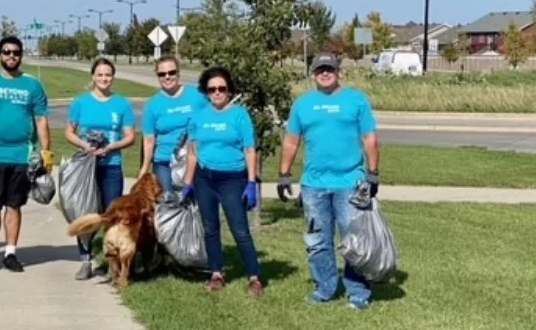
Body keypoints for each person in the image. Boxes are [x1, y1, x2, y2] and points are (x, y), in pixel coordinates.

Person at [278, 53, 380, 310]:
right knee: (317, 240)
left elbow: (370, 138)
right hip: (314, 184)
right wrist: (284, 173)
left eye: (329, 69)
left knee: (353, 239)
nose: (325, 74)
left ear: (338, 72)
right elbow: (291, 141)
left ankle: (358, 293)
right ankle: (325, 289)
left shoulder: (356, 100)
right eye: (320, 70)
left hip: (350, 182)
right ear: (313, 74)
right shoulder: (302, 104)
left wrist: (373, 172)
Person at [0, 36, 52, 273]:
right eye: (6, 52)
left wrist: (46, 153)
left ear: (21, 55)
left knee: (14, 205)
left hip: (22, 156)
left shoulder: (32, 85)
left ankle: (11, 252)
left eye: (16, 52)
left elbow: (41, 120)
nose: (11, 56)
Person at [182, 67, 263, 295]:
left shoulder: (240, 115)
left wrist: (251, 183)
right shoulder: (198, 116)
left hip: (233, 180)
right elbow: (193, 151)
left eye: (221, 88)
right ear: (206, 92)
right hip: (205, 179)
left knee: (240, 230)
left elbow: (249, 149)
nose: (217, 92)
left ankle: (254, 276)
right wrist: (188, 183)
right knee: (210, 229)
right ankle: (216, 273)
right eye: (212, 89)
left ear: (229, 91)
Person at [64, 57, 136, 280]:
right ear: (93, 76)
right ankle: (85, 260)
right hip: (86, 167)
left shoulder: (122, 104)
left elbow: (131, 136)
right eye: (100, 74)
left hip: (111, 166)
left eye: (108, 75)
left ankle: (110, 262)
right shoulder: (81, 102)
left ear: (113, 77)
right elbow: (69, 132)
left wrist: (112, 146)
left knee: (111, 214)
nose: (104, 78)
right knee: (86, 212)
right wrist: (85, 145)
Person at [137, 55, 208, 194]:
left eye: (171, 72)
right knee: (168, 207)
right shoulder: (153, 105)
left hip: (193, 162)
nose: (167, 77)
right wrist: (144, 169)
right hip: (164, 163)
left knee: (196, 206)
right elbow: (149, 140)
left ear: (178, 73)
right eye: (162, 74)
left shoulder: (197, 96)